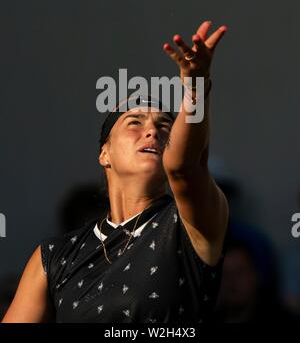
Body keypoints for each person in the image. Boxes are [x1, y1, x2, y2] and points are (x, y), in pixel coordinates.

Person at [2, 20, 229, 323]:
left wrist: (196, 84)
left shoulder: (189, 223)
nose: (152, 132)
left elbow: (185, 168)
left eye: (164, 127)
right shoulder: (54, 256)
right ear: (104, 153)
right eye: (134, 122)